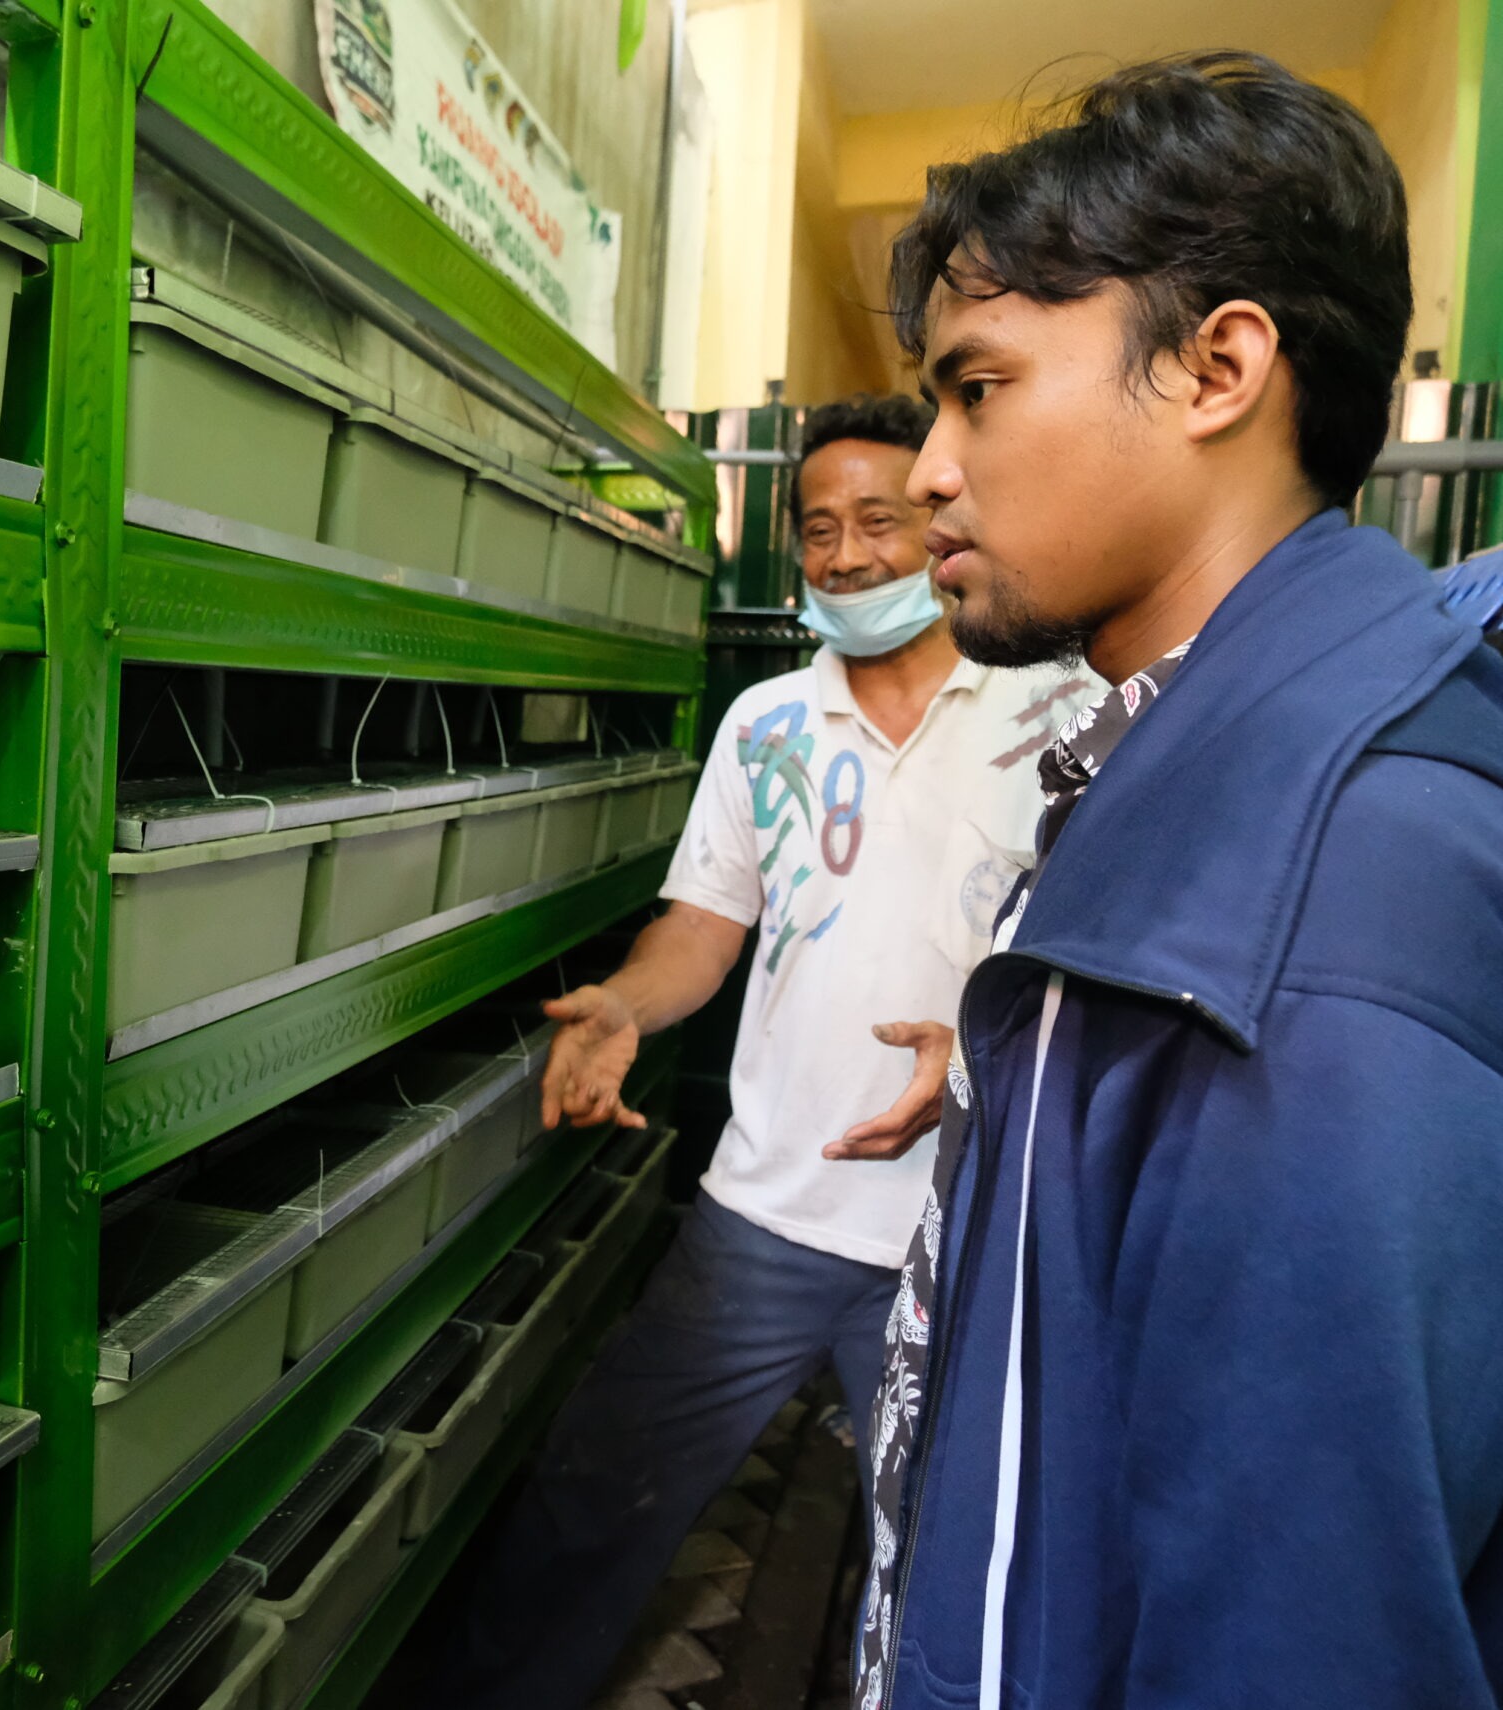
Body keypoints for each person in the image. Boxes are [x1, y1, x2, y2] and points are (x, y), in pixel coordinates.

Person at [855, 53, 1503, 1710]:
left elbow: (1308, 1645)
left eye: (975, 388)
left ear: (1218, 368)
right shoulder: (1208, 760)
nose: (925, 471)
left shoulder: (1347, 901)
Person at [417, 394, 1091, 1710]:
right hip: (764, 1215)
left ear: (944, 516)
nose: (843, 558)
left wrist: (971, 1044)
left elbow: (1102, 957)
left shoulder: (1053, 715)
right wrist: (624, 1003)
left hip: (967, 1225)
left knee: (953, 1557)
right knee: (595, 1496)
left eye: (877, 523)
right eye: (818, 530)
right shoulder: (766, 727)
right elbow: (703, 930)